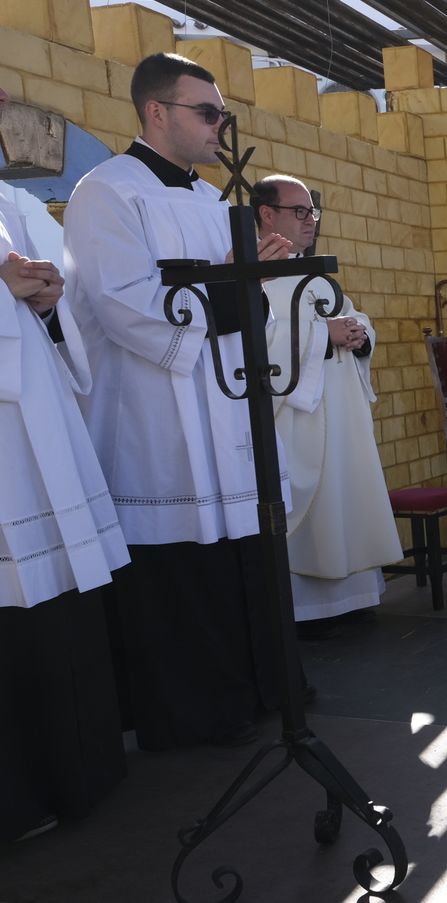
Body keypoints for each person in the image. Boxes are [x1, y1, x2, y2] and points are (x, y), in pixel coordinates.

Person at [63, 52, 298, 750]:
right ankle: (193, 712)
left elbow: (240, 301)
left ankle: (259, 692)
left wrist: (253, 281)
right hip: (155, 413)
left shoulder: (208, 200)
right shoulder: (106, 192)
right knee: (180, 571)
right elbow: (121, 304)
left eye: (223, 114)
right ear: (156, 112)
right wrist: (231, 287)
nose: (219, 126)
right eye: (207, 112)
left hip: (223, 404)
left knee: (240, 552)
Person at [1, 109, 129, 841]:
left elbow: (67, 316)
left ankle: (81, 774)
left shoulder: (14, 204)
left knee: (56, 611)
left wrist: (48, 305)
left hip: (42, 434)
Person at [253, 174, 401, 628]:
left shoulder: (309, 270)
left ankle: (355, 600)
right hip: (298, 418)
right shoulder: (250, 273)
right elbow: (255, 341)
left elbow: (351, 313)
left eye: (312, 212)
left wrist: (359, 335)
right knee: (313, 510)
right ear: (266, 214)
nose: (309, 221)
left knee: (347, 495)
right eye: (299, 211)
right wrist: (323, 336)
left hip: (341, 415)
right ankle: (312, 611)